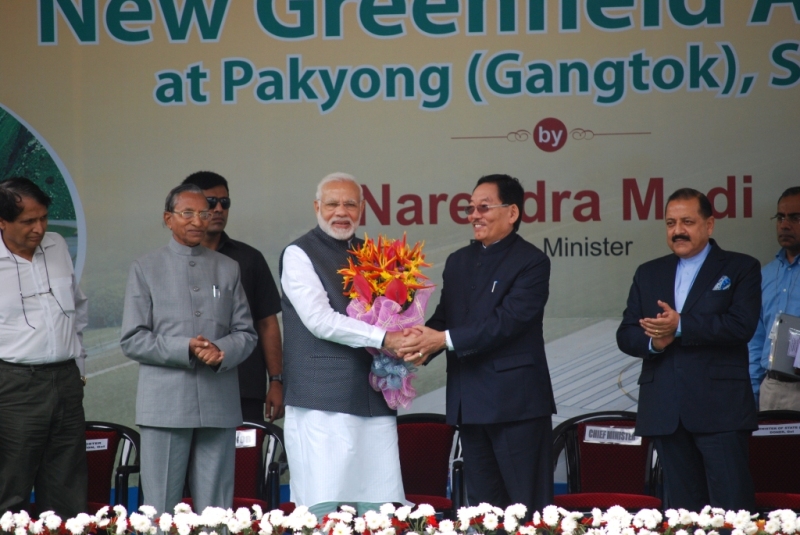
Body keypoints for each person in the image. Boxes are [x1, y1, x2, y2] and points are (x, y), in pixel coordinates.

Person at [400, 174, 555, 515]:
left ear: (512, 212)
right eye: (470, 208)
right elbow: (446, 317)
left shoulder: (531, 262)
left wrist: (442, 339)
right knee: (483, 510)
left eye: (484, 207)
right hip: (469, 404)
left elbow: (508, 322)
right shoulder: (458, 261)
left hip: (516, 406)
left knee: (527, 509)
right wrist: (411, 342)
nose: (474, 215)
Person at [616, 188, 760, 511]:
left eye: (687, 221)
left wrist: (680, 326)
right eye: (670, 223)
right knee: (683, 515)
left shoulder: (741, 268)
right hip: (665, 410)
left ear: (709, 225)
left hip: (720, 410)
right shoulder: (648, 272)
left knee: (731, 513)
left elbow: (741, 325)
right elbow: (626, 334)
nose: (677, 230)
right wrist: (655, 341)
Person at [120, 183, 257, 514]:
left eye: (204, 213)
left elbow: (246, 333)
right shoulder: (145, 267)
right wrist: (187, 348)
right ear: (168, 218)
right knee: (160, 510)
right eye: (188, 213)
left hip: (218, 403)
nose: (198, 220)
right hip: (165, 405)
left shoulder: (227, 267)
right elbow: (132, 338)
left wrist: (222, 351)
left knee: (216, 510)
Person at [279, 172, 407, 517]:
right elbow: (319, 320)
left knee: (378, 510)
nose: (341, 211)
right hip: (322, 399)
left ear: (362, 209)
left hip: (372, 395)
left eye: (350, 204)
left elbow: (395, 311)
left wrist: (407, 335)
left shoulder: (372, 254)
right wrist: (387, 338)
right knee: (325, 507)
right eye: (333, 203)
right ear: (317, 207)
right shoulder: (298, 254)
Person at [0, 177, 88, 517]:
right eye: (28, 222)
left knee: (68, 488)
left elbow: (78, 308)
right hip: (15, 385)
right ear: (2, 221)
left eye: (44, 218)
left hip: (66, 381)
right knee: (11, 487)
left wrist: (79, 368)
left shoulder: (57, 246)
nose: (39, 228)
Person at [182, 171, 284, 422]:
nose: (218, 209)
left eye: (224, 203)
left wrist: (277, 381)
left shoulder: (249, 259)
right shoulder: (166, 264)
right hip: (186, 389)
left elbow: (267, 323)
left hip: (244, 388)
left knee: (244, 461)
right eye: (210, 202)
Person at [749, 186, 800, 410]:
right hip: (770, 388)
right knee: (770, 447)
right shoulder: (765, 275)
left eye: (795, 217)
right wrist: (751, 390)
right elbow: (755, 339)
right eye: (780, 217)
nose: (785, 224)